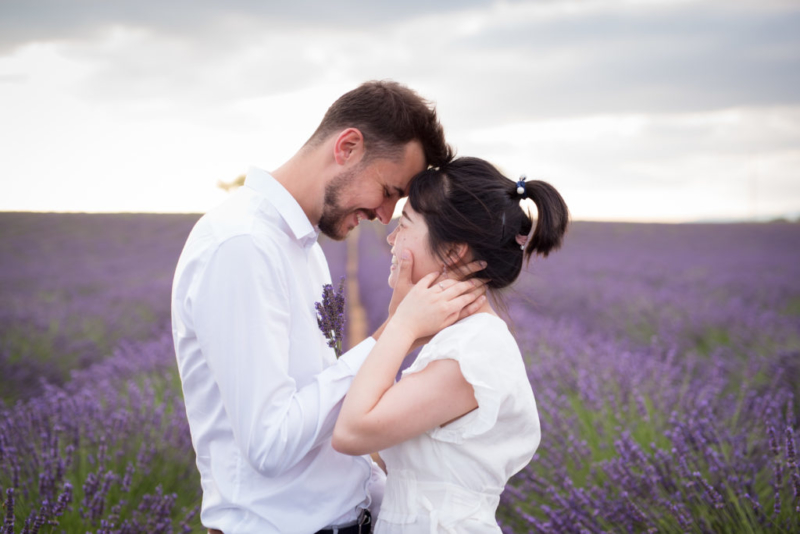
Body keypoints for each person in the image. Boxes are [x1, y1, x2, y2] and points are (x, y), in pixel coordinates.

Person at [170, 81, 486, 534]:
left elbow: (315, 405)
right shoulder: (242, 246)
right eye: (389, 190)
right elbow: (270, 445)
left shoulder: (302, 246)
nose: (385, 214)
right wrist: (391, 335)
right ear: (348, 147)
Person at [332, 157, 569, 533]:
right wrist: (403, 325)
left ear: (454, 250)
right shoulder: (460, 340)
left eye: (405, 224)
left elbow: (351, 432)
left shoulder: (474, 349)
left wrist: (401, 325)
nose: (391, 239)